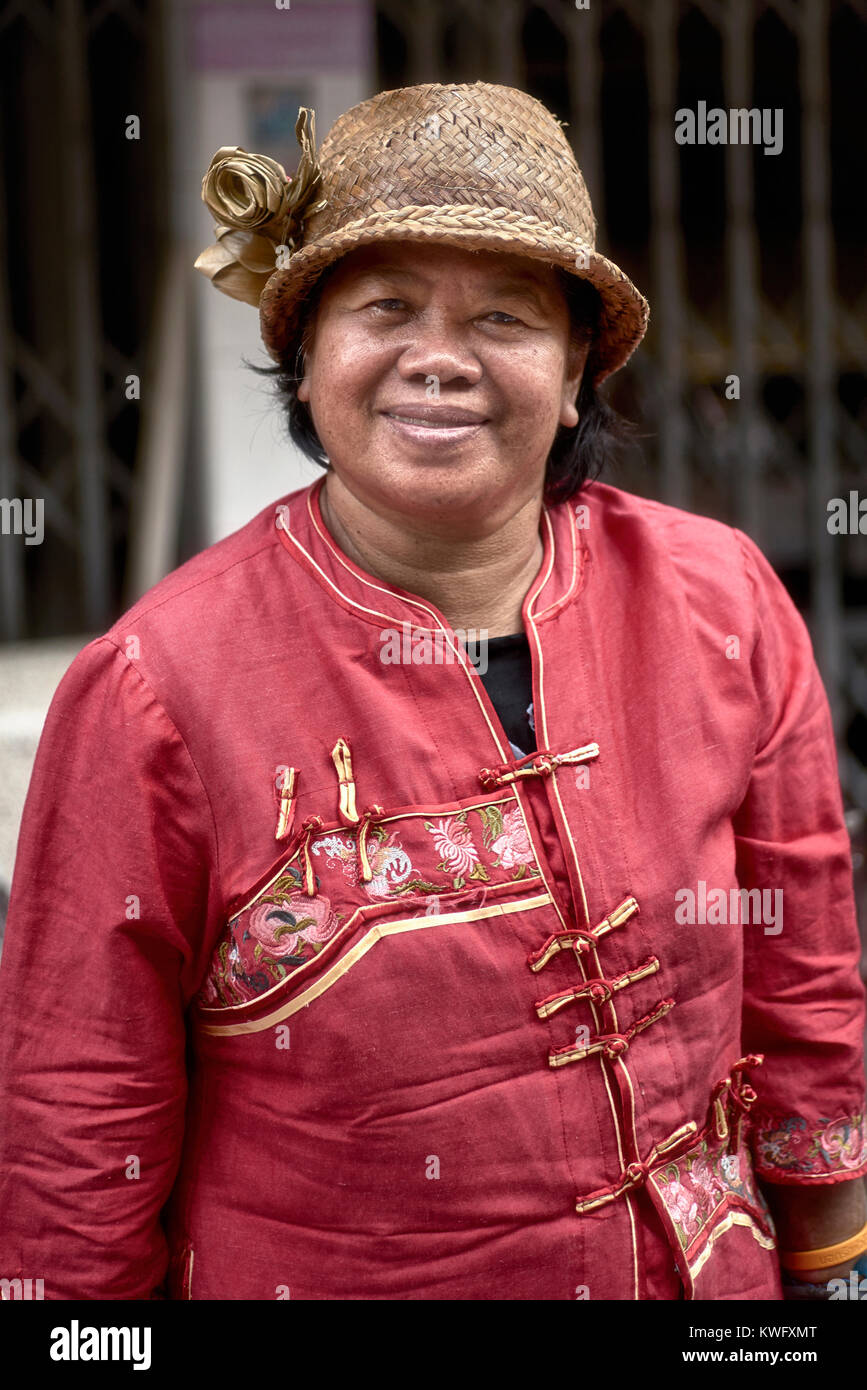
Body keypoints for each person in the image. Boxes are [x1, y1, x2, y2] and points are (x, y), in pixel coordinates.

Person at [0, 81, 865, 1302]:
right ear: (304, 363)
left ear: (575, 375)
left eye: (505, 318)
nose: (439, 360)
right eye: (386, 308)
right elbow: (77, 1116)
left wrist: (835, 1273)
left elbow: (805, 983)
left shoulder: (717, 602)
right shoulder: (155, 691)